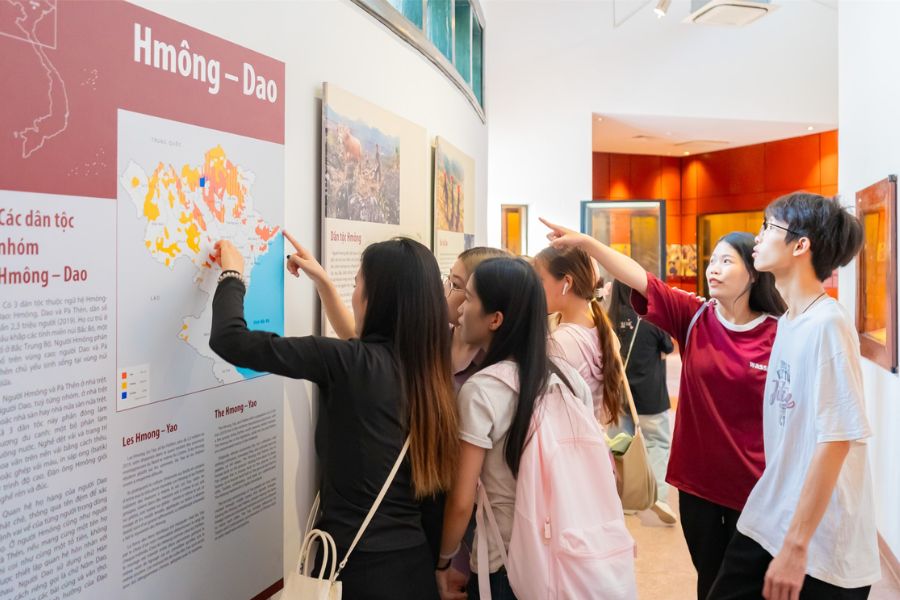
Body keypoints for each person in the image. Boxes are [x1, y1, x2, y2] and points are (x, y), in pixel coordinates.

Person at [540, 218, 786, 600]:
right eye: (713, 260)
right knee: (709, 579)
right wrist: (589, 244)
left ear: (754, 275)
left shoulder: (780, 332)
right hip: (697, 486)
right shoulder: (696, 316)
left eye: (727, 261)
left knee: (742, 587)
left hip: (755, 487)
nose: (713, 269)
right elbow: (641, 279)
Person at [209, 233, 458, 600]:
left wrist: (231, 274)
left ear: (377, 299)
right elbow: (435, 502)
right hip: (414, 568)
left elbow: (230, 340)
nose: (354, 293)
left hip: (354, 573)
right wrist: (323, 282)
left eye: (357, 283)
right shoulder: (432, 376)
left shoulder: (348, 363)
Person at [708, 192, 880, 599]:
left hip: (820, 544)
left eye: (769, 227)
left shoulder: (828, 324)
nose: (758, 237)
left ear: (801, 245)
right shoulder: (789, 321)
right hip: (772, 515)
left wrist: (797, 546)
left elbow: (836, 440)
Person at [435, 257, 594, 600]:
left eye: (471, 297)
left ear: (495, 319)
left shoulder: (482, 391)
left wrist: (443, 563)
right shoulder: (570, 380)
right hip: (565, 553)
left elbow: (462, 501)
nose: (461, 307)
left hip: (502, 564)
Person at [607, 279, 677, 525]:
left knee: (621, 447)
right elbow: (667, 346)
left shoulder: (608, 318)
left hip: (619, 397)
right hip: (651, 396)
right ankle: (657, 494)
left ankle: (626, 499)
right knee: (657, 443)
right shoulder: (651, 317)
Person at [533, 245, 623, 428]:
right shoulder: (602, 330)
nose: (535, 288)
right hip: (593, 445)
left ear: (567, 282)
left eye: (540, 280)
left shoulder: (560, 342)